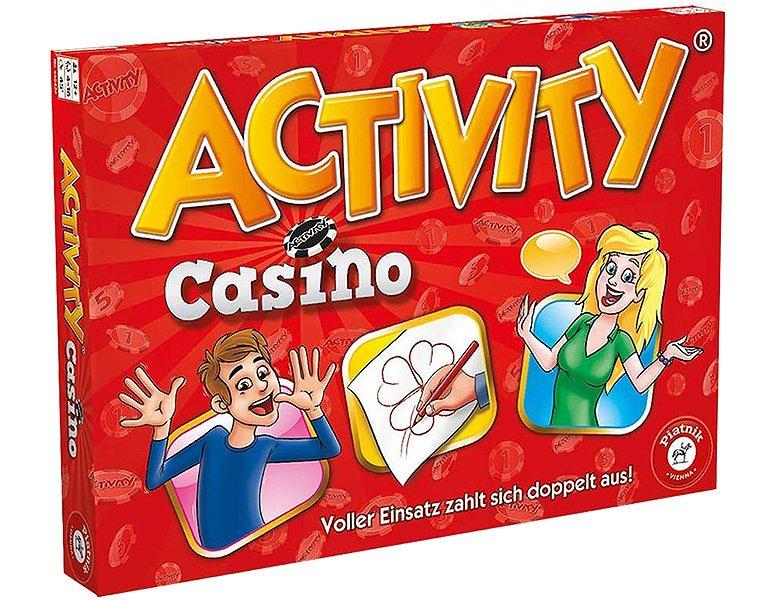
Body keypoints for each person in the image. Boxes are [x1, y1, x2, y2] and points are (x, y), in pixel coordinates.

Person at [118, 329, 340, 549]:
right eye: (243, 385)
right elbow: (155, 479)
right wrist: (162, 427)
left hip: (253, 541)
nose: (261, 386)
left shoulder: (266, 446)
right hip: (217, 551)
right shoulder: (212, 441)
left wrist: (313, 410)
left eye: (263, 373)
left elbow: (329, 449)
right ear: (221, 404)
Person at [516, 225, 702, 428]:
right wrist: (526, 334)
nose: (613, 281)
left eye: (628, 277)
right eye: (611, 269)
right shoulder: (582, 322)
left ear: (639, 294)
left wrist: (668, 355)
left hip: (587, 431)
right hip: (553, 427)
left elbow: (640, 383)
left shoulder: (621, 341)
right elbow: (549, 362)